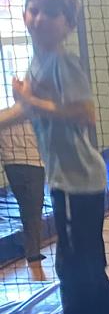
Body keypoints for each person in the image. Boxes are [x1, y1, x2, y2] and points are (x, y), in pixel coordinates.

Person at [0, 0, 109, 314]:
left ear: (68, 24)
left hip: (79, 182)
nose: (39, 18)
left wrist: (32, 102)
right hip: (64, 180)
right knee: (83, 263)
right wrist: (19, 108)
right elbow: (26, 111)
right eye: (33, 9)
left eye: (51, 13)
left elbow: (84, 114)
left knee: (72, 267)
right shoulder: (37, 62)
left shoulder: (63, 63)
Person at [0, 113, 46, 275]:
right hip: (24, 161)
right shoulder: (25, 108)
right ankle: (33, 253)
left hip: (20, 160)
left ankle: (33, 251)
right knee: (32, 208)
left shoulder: (26, 108)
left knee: (30, 208)